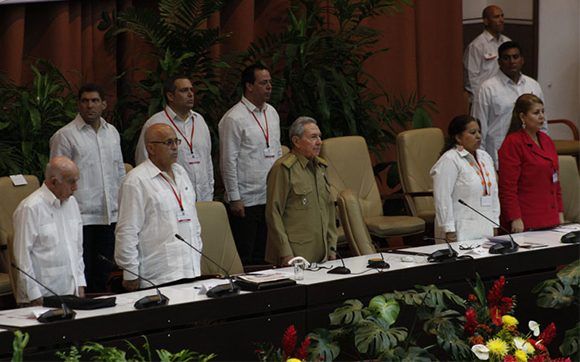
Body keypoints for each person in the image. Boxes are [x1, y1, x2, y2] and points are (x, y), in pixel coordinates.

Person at [49, 84, 125, 293]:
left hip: (109, 215)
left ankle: (102, 314)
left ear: (104, 104)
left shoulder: (112, 133)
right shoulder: (65, 136)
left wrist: (122, 207)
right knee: (83, 271)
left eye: (94, 101)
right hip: (79, 216)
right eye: (84, 101)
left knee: (104, 271)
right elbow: (56, 178)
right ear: (78, 104)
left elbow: (119, 172)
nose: (89, 105)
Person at [115, 124, 203, 290]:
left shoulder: (181, 173)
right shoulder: (136, 181)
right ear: (151, 148)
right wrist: (131, 273)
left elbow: (193, 220)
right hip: (159, 275)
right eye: (168, 143)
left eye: (176, 141)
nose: (175, 147)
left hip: (190, 269)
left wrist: (197, 256)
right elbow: (127, 231)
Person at [219, 63, 282, 265]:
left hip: (270, 195)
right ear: (249, 86)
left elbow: (278, 151)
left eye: (270, 82)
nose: (269, 86)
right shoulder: (234, 118)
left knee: (266, 255)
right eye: (264, 83)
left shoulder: (272, 112)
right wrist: (235, 198)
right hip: (246, 200)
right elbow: (228, 161)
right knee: (247, 257)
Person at [12, 157, 85, 306]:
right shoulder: (30, 208)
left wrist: (80, 284)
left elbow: (77, 249)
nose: (76, 187)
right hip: (42, 296)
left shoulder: (72, 203)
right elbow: (22, 258)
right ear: (53, 182)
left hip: (71, 292)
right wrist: (33, 296)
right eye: (71, 181)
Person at [265, 117, 337, 265]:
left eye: (319, 137)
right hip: (295, 257)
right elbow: (273, 213)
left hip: (322, 256)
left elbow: (329, 209)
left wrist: (331, 249)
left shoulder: (320, 168)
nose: (319, 142)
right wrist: (286, 254)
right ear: (296, 141)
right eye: (313, 137)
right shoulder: (284, 169)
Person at [135, 75, 214, 201]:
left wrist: (210, 191)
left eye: (191, 90)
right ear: (170, 96)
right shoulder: (155, 124)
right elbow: (144, 163)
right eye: (184, 90)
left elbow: (207, 160)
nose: (190, 94)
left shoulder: (200, 121)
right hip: (171, 199)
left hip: (204, 199)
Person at [472, 41, 546, 167]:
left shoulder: (533, 85)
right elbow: (479, 128)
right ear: (499, 62)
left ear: (522, 60)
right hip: (497, 156)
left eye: (515, 57)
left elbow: (543, 125)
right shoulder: (487, 88)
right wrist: (482, 163)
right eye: (506, 58)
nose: (512, 61)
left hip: (531, 156)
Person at [498, 94, 563, 233]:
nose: (541, 117)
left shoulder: (546, 140)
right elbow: (508, 187)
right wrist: (515, 217)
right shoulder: (513, 143)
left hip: (550, 216)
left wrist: (560, 212)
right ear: (522, 117)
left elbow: (555, 182)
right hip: (526, 219)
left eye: (543, 112)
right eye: (536, 113)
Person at [431, 115, 499, 243]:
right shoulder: (449, 160)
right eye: (473, 133)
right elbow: (442, 197)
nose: (478, 136)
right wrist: (449, 229)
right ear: (458, 137)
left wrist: (495, 223)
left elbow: (494, 193)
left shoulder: (485, 157)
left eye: (479, 132)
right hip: (459, 229)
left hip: (485, 225)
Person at [463, 5, 511, 101]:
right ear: (486, 21)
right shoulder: (476, 46)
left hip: (505, 95)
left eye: (502, 16)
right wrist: (482, 99)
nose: (501, 20)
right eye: (496, 17)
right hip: (484, 98)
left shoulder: (507, 42)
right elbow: (471, 79)